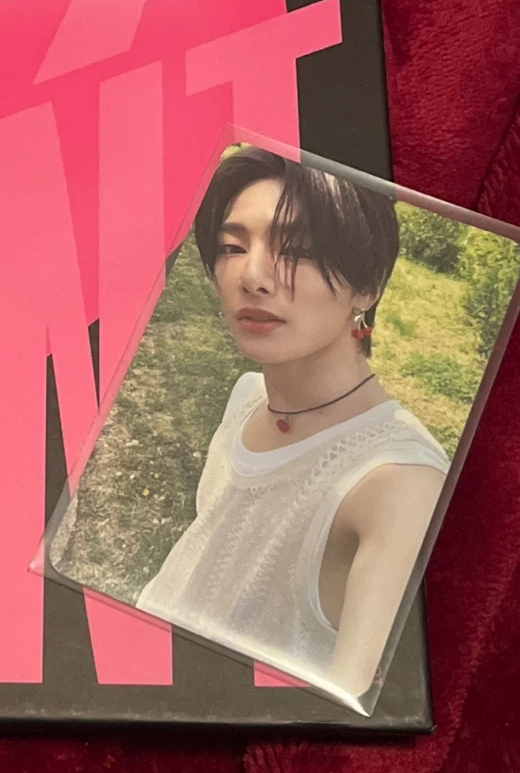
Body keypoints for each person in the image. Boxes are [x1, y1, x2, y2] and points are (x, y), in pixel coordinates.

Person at [134, 146, 449, 702]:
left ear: (368, 285)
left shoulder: (399, 482)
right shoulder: (249, 396)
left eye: (299, 251)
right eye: (232, 247)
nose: (253, 277)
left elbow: (352, 703)